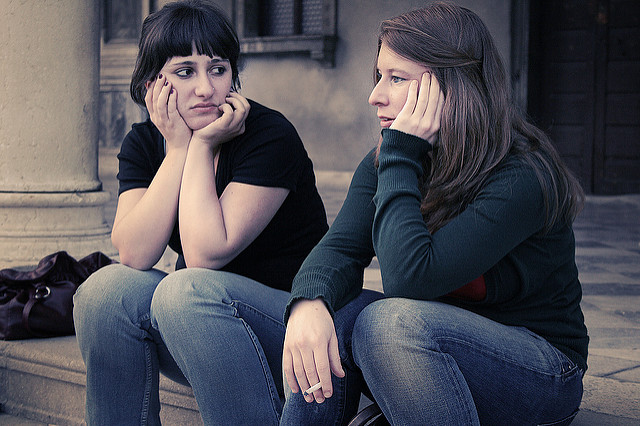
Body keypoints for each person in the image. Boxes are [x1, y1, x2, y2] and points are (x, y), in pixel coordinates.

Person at [281, 2, 589, 425]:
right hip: (435, 348)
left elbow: (410, 280)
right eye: (378, 76)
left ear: (450, 87)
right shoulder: (387, 160)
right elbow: (338, 250)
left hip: (542, 372)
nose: (375, 95)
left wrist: (401, 155)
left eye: (396, 78)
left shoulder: (522, 176)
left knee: (387, 321)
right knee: (339, 315)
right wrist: (308, 305)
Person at [72, 1, 328, 424]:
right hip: (197, 328)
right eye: (185, 71)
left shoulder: (269, 135)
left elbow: (207, 254)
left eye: (218, 68)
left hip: (289, 330)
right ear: (154, 83)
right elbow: (135, 253)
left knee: (186, 289)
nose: (206, 89)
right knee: (105, 291)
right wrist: (178, 149)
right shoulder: (144, 144)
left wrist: (204, 144)